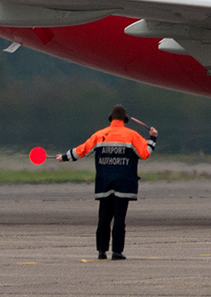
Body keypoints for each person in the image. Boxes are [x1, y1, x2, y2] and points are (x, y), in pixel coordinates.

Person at [55, 105, 157, 260]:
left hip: (104, 182)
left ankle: (101, 251)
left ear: (110, 117)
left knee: (104, 217)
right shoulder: (132, 135)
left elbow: (81, 151)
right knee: (119, 218)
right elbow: (145, 154)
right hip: (124, 182)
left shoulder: (99, 135)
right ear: (125, 119)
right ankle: (117, 252)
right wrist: (153, 139)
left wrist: (63, 157)